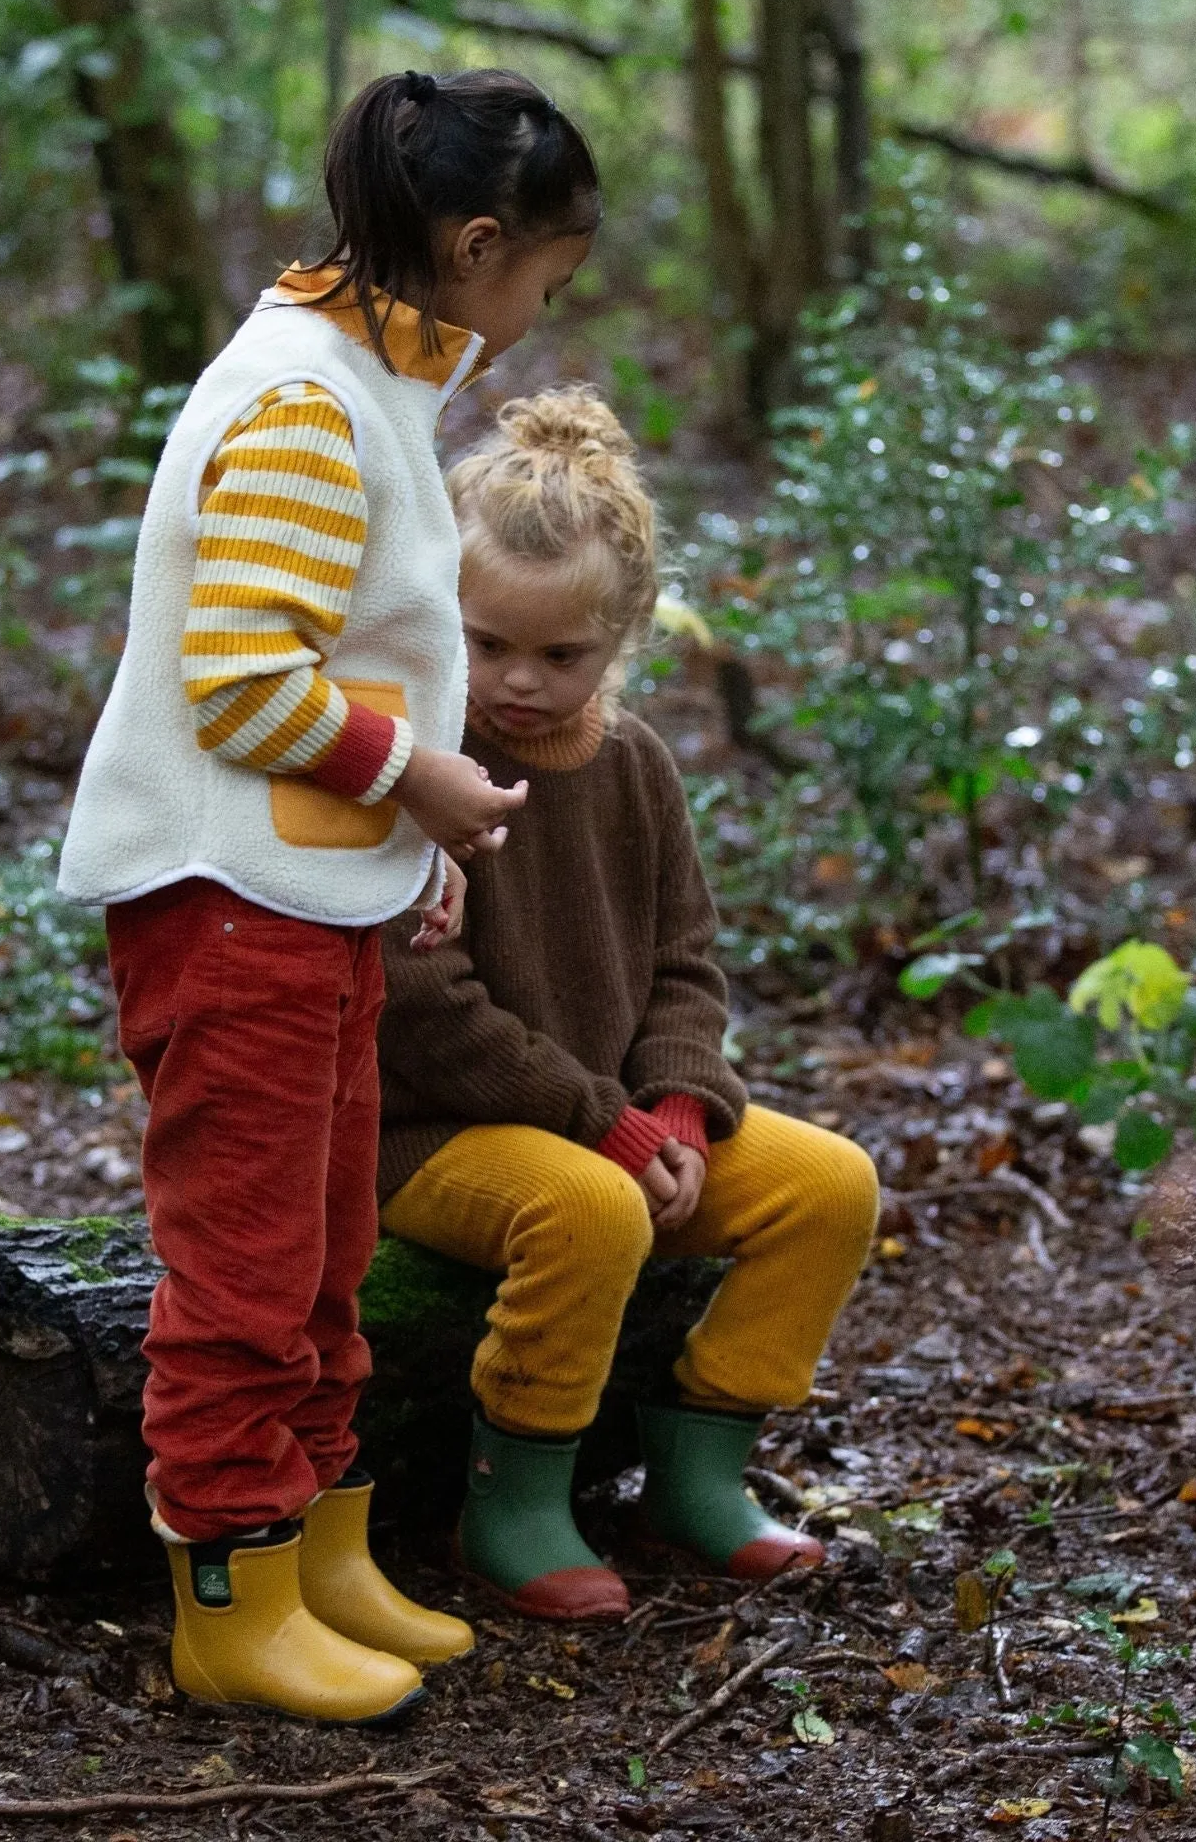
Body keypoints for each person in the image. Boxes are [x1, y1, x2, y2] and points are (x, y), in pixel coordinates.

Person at [57, 71, 601, 1718]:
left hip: (307, 895)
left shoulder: (366, 372)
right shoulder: (302, 395)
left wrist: (405, 853)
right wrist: (416, 782)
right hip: (227, 907)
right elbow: (239, 680)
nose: (539, 317)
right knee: (244, 1267)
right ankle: (230, 1594)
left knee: (322, 1258)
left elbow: (359, 650)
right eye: (545, 283)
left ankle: (323, 1549)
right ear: (477, 242)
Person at [374, 388, 880, 1622]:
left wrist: (679, 1108)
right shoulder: (418, 758)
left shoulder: (634, 764)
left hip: (613, 1117)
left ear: (626, 636)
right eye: (486, 641)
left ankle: (696, 1471)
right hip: (427, 1134)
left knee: (828, 1185)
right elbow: (420, 1003)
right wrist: (603, 1123)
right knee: (593, 1208)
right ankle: (513, 1500)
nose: (517, 680)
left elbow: (682, 962)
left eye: (561, 655)